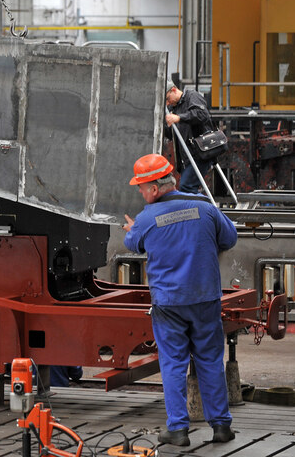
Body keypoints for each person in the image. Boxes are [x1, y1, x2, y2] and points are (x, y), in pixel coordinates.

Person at [122, 153, 237, 447]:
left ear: (155, 188)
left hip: (169, 304)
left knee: (173, 363)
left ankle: (178, 430)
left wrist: (132, 230)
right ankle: (221, 426)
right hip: (205, 299)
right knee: (210, 360)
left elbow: (133, 243)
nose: (140, 193)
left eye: (141, 188)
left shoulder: (146, 218)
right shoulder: (205, 207)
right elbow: (230, 238)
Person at [165, 80, 215, 193]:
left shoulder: (192, 96)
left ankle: (203, 204)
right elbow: (172, 135)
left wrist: (179, 118)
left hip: (200, 152)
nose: (168, 103)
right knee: (187, 188)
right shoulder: (173, 108)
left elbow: (202, 114)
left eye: (168, 99)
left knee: (186, 186)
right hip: (186, 157)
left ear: (174, 90)